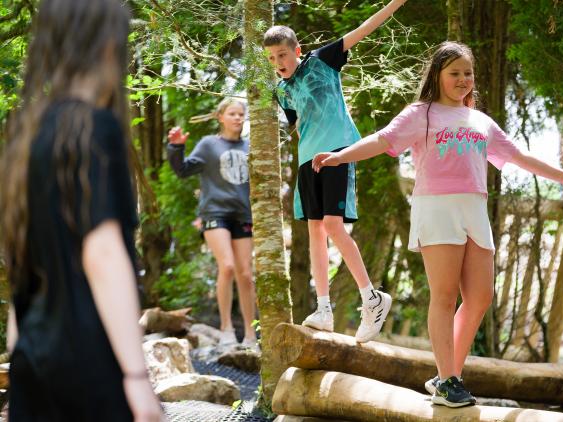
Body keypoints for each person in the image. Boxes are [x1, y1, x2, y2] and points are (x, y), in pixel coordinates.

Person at [313, 41, 563, 408]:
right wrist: (339, 157)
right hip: (436, 208)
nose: (462, 80)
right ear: (438, 75)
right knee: (444, 295)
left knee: (480, 297)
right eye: (454, 73)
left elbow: (517, 155)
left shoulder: (480, 121)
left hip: (474, 209)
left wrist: (562, 175)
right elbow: (382, 140)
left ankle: (446, 376)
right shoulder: (420, 113)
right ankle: (449, 382)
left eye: (467, 73)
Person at [0, 0, 163, 420]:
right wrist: (136, 379)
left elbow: (21, 264)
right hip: (89, 366)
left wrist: (18, 358)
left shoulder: (25, 139)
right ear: (107, 45)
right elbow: (102, 253)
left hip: (33, 363)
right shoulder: (94, 129)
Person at [262, 0, 409, 342]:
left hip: (337, 152)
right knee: (315, 230)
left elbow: (363, 29)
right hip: (306, 162)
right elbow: (296, 124)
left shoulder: (322, 61)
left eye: (282, 54)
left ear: (296, 50)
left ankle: (372, 298)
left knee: (332, 225)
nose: (278, 63)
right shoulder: (282, 90)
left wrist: (395, 4)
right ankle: (323, 309)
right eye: (272, 58)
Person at [167, 99, 258, 351]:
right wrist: (175, 148)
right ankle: (226, 329)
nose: (238, 118)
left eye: (241, 114)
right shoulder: (209, 145)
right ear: (220, 117)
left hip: (243, 214)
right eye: (232, 114)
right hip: (215, 213)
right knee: (227, 266)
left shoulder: (251, 146)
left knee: (246, 274)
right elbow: (184, 170)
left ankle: (251, 335)